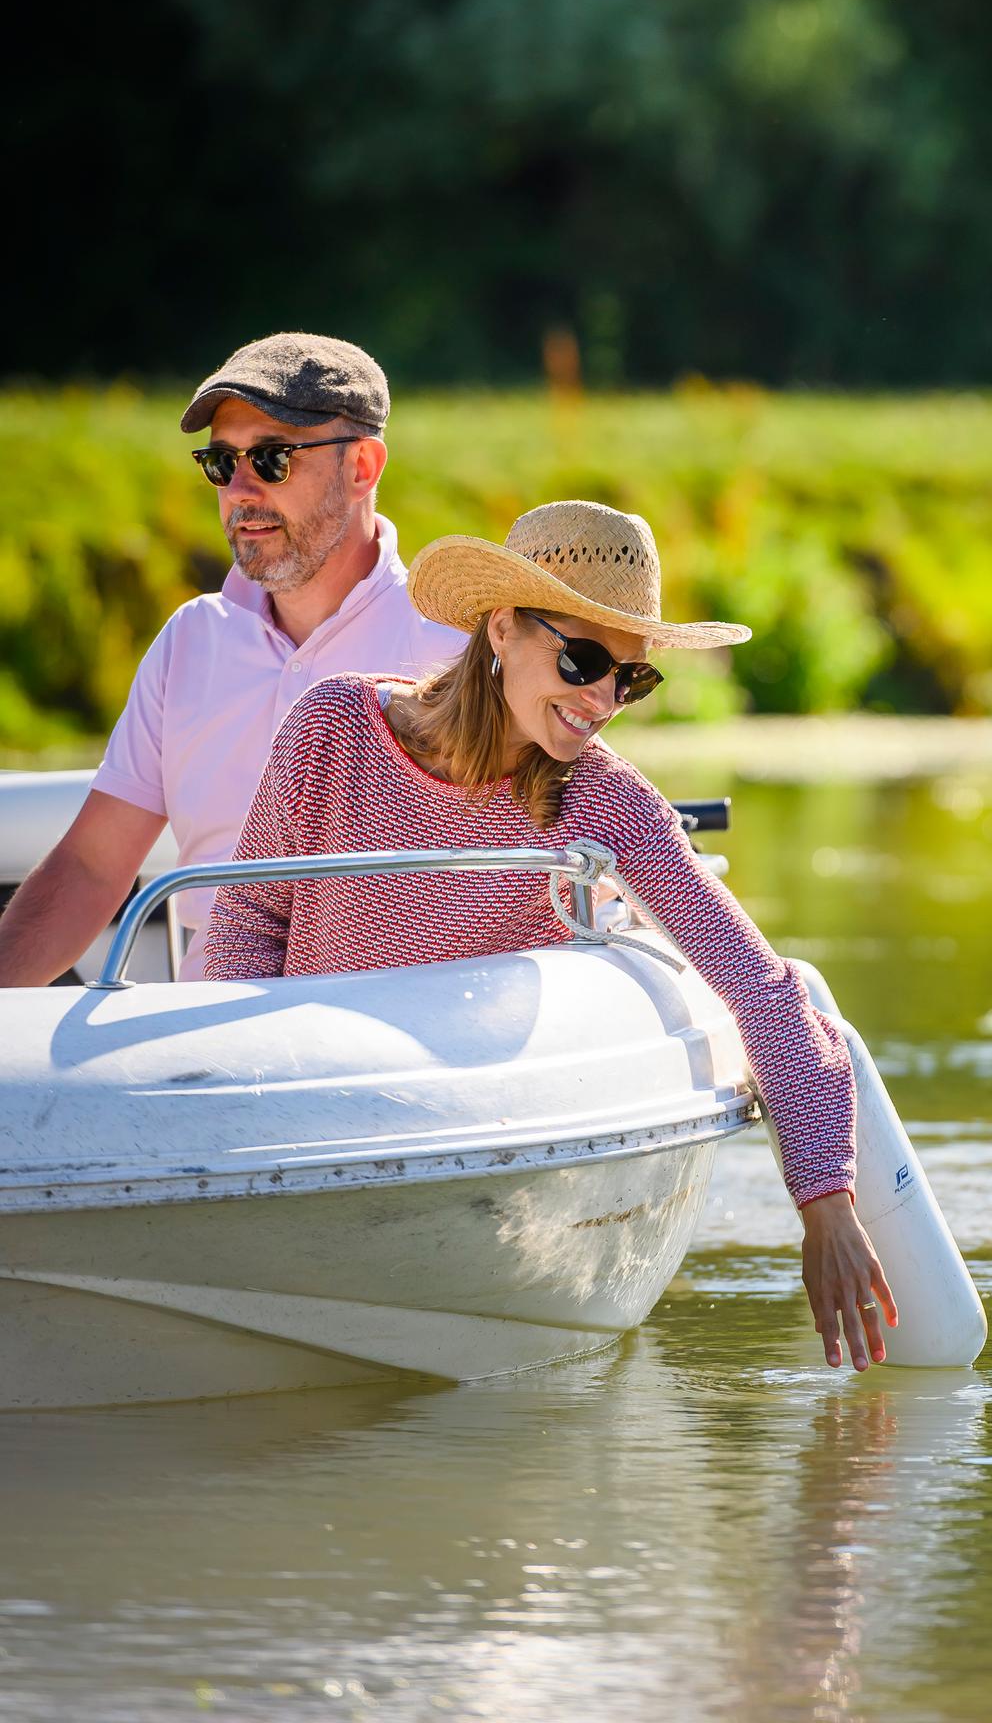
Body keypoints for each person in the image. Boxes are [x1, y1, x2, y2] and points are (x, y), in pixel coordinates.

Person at [203, 498, 899, 1373]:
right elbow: (248, 919)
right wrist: (231, 1104)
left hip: (451, 1154)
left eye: (633, 679)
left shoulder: (602, 798)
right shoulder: (333, 727)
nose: (605, 698)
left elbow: (757, 985)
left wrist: (824, 1201)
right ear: (502, 630)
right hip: (302, 1121)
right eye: (585, 659)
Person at [0, 333, 463, 988]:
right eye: (220, 463)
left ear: (362, 466)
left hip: (383, 1058)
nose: (240, 490)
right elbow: (92, 869)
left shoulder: (461, 652)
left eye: (271, 459)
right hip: (204, 1056)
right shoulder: (189, 644)